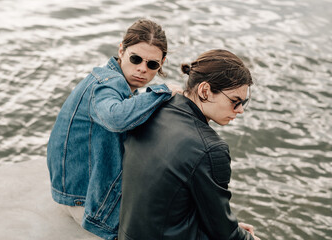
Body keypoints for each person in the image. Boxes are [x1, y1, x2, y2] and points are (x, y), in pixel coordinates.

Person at [47, 19, 181, 240]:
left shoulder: (112, 80)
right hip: (82, 201)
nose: (142, 69)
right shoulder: (108, 83)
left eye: (152, 65)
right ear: (121, 50)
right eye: (136, 59)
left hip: (70, 191)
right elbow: (115, 118)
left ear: (162, 63)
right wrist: (163, 90)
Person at [118, 49, 261, 240]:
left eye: (245, 102)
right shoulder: (210, 148)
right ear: (205, 90)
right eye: (235, 101)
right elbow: (223, 232)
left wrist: (229, 226)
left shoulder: (154, 107)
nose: (241, 110)